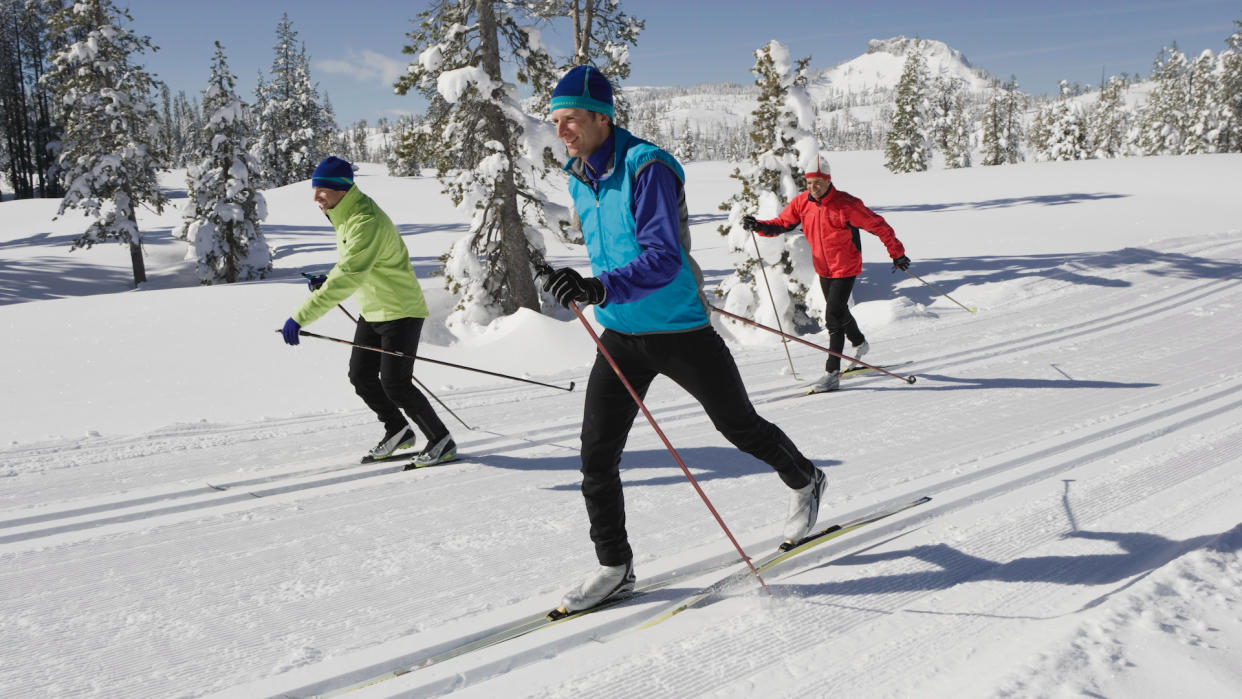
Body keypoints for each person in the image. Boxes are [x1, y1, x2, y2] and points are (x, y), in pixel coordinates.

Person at [543, 66, 826, 615]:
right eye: (556, 121)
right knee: (596, 455)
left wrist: (599, 286)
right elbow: (610, 252)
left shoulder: (646, 168)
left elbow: (662, 256)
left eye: (571, 119)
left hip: (679, 330)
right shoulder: (580, 175)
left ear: (603, 117)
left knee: (738, 425)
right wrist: (577, 281)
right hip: (621, 332)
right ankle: (614, 566)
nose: (562, 131)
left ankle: (806, 479)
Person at [280, 156, 456, 467]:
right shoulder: (345, 215)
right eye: (314, 189)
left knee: (396, 383)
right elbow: (353, 264)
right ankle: (398, 430)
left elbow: (350, 274)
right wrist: (328, 280)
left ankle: (440, 439)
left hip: (400, 310)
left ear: (342, 190)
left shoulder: (365, 221)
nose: (316, 197)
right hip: (374, 310)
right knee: (361, 376)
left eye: (322, 190)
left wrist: (300, 316)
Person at [742, 157, 910, 393]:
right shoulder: (802, 203)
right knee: (840, 311)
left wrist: (897, 253)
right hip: (823, 268)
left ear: (828, 181)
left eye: (819, 182)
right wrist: (758, 225)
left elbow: (879, 225)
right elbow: (782, 224)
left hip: (846, 266)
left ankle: (832, 372)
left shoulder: (846, 204)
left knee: (832, 316)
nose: (814, 187)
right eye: (810, 182)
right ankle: (860, 344)